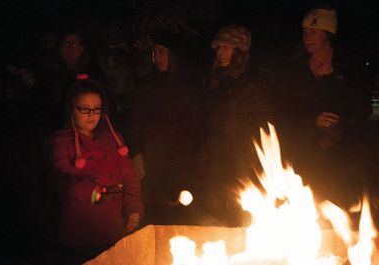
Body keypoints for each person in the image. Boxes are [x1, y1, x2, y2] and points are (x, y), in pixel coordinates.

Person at [276, 6, 372, 208]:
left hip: (339, 157)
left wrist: (339, 127)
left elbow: (363, 109)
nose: (306, 37)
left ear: (328, 34)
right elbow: (284, 112)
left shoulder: (348, 68)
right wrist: (312, 121)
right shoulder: (295, 69)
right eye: (304, 32)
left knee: (337, 208)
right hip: (303, 154)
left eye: (313, 31)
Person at [47, 77, 143, 264]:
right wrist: (90, 189)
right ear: (72, 109)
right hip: (80, 238)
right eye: (84, 109)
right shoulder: (61, 143)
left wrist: (133, 210)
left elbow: (129, 178)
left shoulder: (113, 140)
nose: (91, 115)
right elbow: (59, 179)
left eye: (97, 109)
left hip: (113, 234)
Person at [127, 31, 204, 225]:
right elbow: (136, 121)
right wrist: (136, 153)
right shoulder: (147, 86)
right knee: (153, 213)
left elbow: (198, 127)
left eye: (161, 51)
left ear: (174, 55)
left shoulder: (191, 87)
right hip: (153, 161)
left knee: (177, 215)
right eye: (154, 52)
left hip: (180, 164)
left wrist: (196, 163)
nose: (156, 57)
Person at [200, 25, 273, 226]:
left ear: (239, 50)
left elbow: (262, 130)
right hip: (217, 169)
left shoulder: (254, 85)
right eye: (218, 47)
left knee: (242, 224)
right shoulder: (216, 84)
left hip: (242, 170)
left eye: (226, 47)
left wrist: (251, 170)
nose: (220, 52)